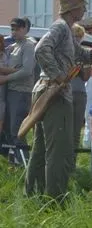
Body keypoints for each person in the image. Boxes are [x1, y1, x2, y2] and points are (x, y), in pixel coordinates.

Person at [25, 0, 92, 199]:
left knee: (40, 148)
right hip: (54, 93)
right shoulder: (60, 27)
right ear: (73, 8)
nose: (85, 9)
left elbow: (79, 54)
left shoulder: (66, 30)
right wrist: (58, 76)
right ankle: (55, 198)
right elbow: (41, 49)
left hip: (46, 90)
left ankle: (33, 194)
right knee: (59, 149)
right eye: (83, 5)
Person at [0, 17, 35, 165]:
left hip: (21, 92)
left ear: (24, 28)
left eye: (17, 29)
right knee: (8, 130)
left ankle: (24, 165)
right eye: (12, 29)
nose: (14, 32)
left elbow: (27, 70)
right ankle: (14, 163)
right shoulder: (14, 46)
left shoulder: (29, 45)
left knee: (17, 131)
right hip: (10, 92)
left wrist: (6, 78)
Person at [71, 24, 91, 169]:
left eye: (79, 36)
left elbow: (85, 77)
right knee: (63, 128)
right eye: (74, 36)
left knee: (77, 129)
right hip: (63, 92)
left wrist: (85, 66)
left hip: (79, 92)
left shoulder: (84, 52)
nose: (77, 39)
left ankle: (71, 163)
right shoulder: (62, 51)